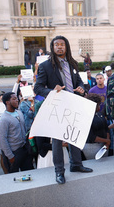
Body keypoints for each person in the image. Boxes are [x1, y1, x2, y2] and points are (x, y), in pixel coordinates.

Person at [34, 35, 93, 184]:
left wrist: (82, 88)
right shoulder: (45, 66)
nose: (59, 47)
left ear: (66, 46)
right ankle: (59, 171)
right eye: (56, 45)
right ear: (53, 48)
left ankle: (76, 165)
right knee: (57, 141)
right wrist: (53, 91)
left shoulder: (72, 64)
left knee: (74, 136)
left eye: (62, 44)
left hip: (73, 105)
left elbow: (79, 81)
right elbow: (38, 88)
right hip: (58, 107)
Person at [0, 92, 34, 173]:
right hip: (13, 152)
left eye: (17, 98)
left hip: (24, 149)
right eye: (14, 99)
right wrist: (10, 156)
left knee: (29, 173)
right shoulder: (4, 119)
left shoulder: (19, 113)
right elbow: (2, 139)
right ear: (7, 102)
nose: (17, 100)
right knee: (14, 177)